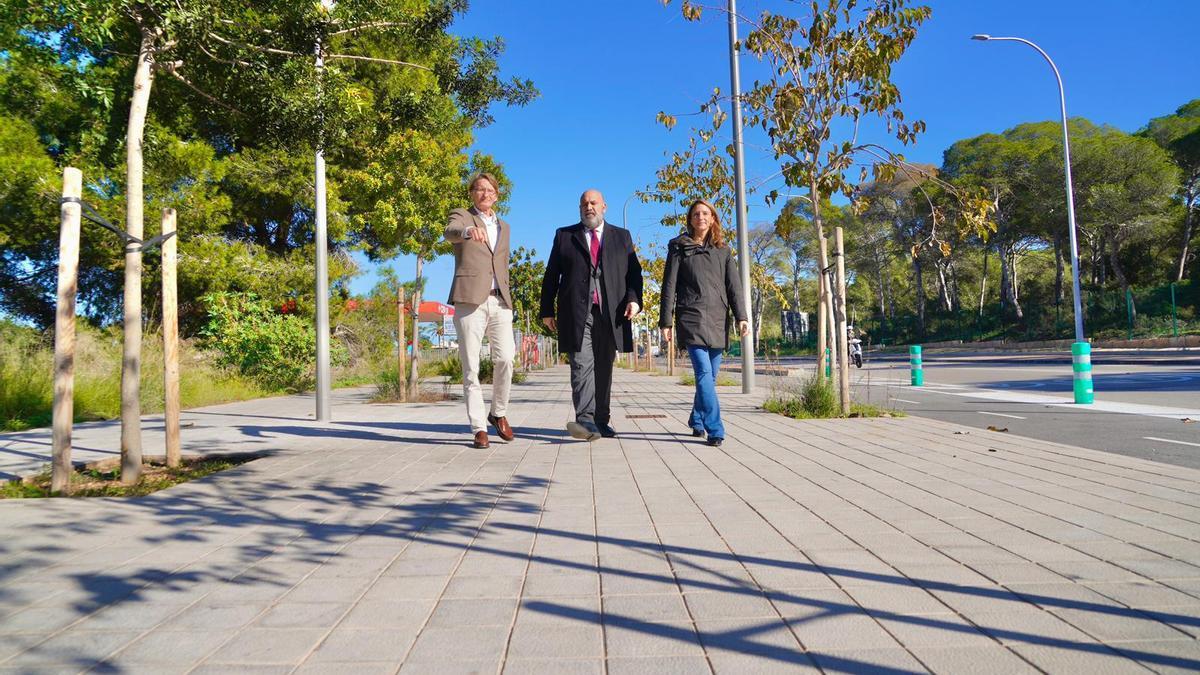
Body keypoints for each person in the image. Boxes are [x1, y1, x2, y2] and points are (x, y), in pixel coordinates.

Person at [540, 189, 643, 440]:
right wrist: (546, 310)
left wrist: (634, 300)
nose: (589, 207)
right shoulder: (565, 236)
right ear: (579, 208)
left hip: (611, 313)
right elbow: (552, 275)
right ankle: (585, 420)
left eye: (593, 203)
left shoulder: (622, 236)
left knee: (604, 366)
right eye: (584, 203)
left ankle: (601, 419)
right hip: (576, 312)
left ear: (604, 207)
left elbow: (634, 275)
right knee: (581, 364)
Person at [659, 199, 749, 447]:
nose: (701, 217)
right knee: (704, 374)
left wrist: (742, 316)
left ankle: (697, 419)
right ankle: (715, 428)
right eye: (696, 213)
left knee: (710, 376)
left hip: (718, 319)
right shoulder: (679, 249)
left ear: (713, 219)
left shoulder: (723, 251)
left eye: (705, 213)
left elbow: (734, 287)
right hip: (691, 316)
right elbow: (669, 287)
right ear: (690, 219)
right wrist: (665, 321)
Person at [444, 173, 516, 449]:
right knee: (471, 367)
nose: (485, 194)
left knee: (506, 359)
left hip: (499, 301)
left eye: (490, 190)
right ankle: (478, 427)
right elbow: (449, 232)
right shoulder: (462, 216)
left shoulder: (505, 226)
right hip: (469, 300)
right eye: (480, 189)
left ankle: (498, 413)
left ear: (497, 195)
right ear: (472, 193)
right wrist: (466, 233)